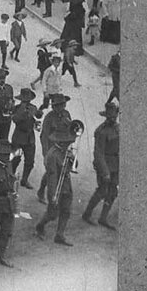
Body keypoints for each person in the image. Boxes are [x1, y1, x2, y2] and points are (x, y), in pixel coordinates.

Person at [35, 117, 79, 246]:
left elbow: (72, 166)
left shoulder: (66, 151)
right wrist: (53, 195)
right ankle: (40, 226)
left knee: (66, 210)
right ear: (60, 141)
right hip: (56, 186)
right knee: (52, 213)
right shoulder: (52, 155)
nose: (69, 143)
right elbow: (52, 177)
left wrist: (73, 159)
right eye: (67, 142)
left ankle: (59, 235)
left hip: (66, 184)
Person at [83, 100, 119, 230]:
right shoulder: (101, 132)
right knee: (102, 191)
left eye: (114, 116)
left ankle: (103, 218)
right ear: (106, 117)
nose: (113, 119)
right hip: (104, 165)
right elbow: (98, 153)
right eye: (110, 117)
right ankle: (87, 214)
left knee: (113, 192)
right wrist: (105, 172)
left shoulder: (118, 128)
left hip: (116, 165)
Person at [37, 94, 72, 203]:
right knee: (51, 171)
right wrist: (45, 154)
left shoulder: (66, 114)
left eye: (62, 104)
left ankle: (47, 192)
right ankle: (44, 192)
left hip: (62, 146)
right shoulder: (49, 117)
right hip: (51, 147)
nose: (61, 107)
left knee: (60, 169)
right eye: (58, 105)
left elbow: (70, 131)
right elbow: (44, 136)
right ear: (53, 106)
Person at [10, 87, 40, 188]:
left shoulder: (33, 107)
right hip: (18, 137)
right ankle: (10, 177)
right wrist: (23, 111)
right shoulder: (16, 108)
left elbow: (37, 115)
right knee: (15, 159)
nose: (27, 102)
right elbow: (15, 119)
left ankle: (25, 179)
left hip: (30, 138)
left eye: (28, 100)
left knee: (30, 161)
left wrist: (37, 115)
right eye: (24, 100)